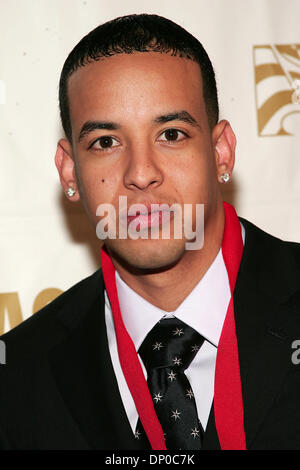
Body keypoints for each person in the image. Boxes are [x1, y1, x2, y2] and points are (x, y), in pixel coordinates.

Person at [1, 13, 300, 451]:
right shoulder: (17, 377)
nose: (141, 174)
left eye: (171, 134)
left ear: (221, 153)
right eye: (105, 141)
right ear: (69, 170)